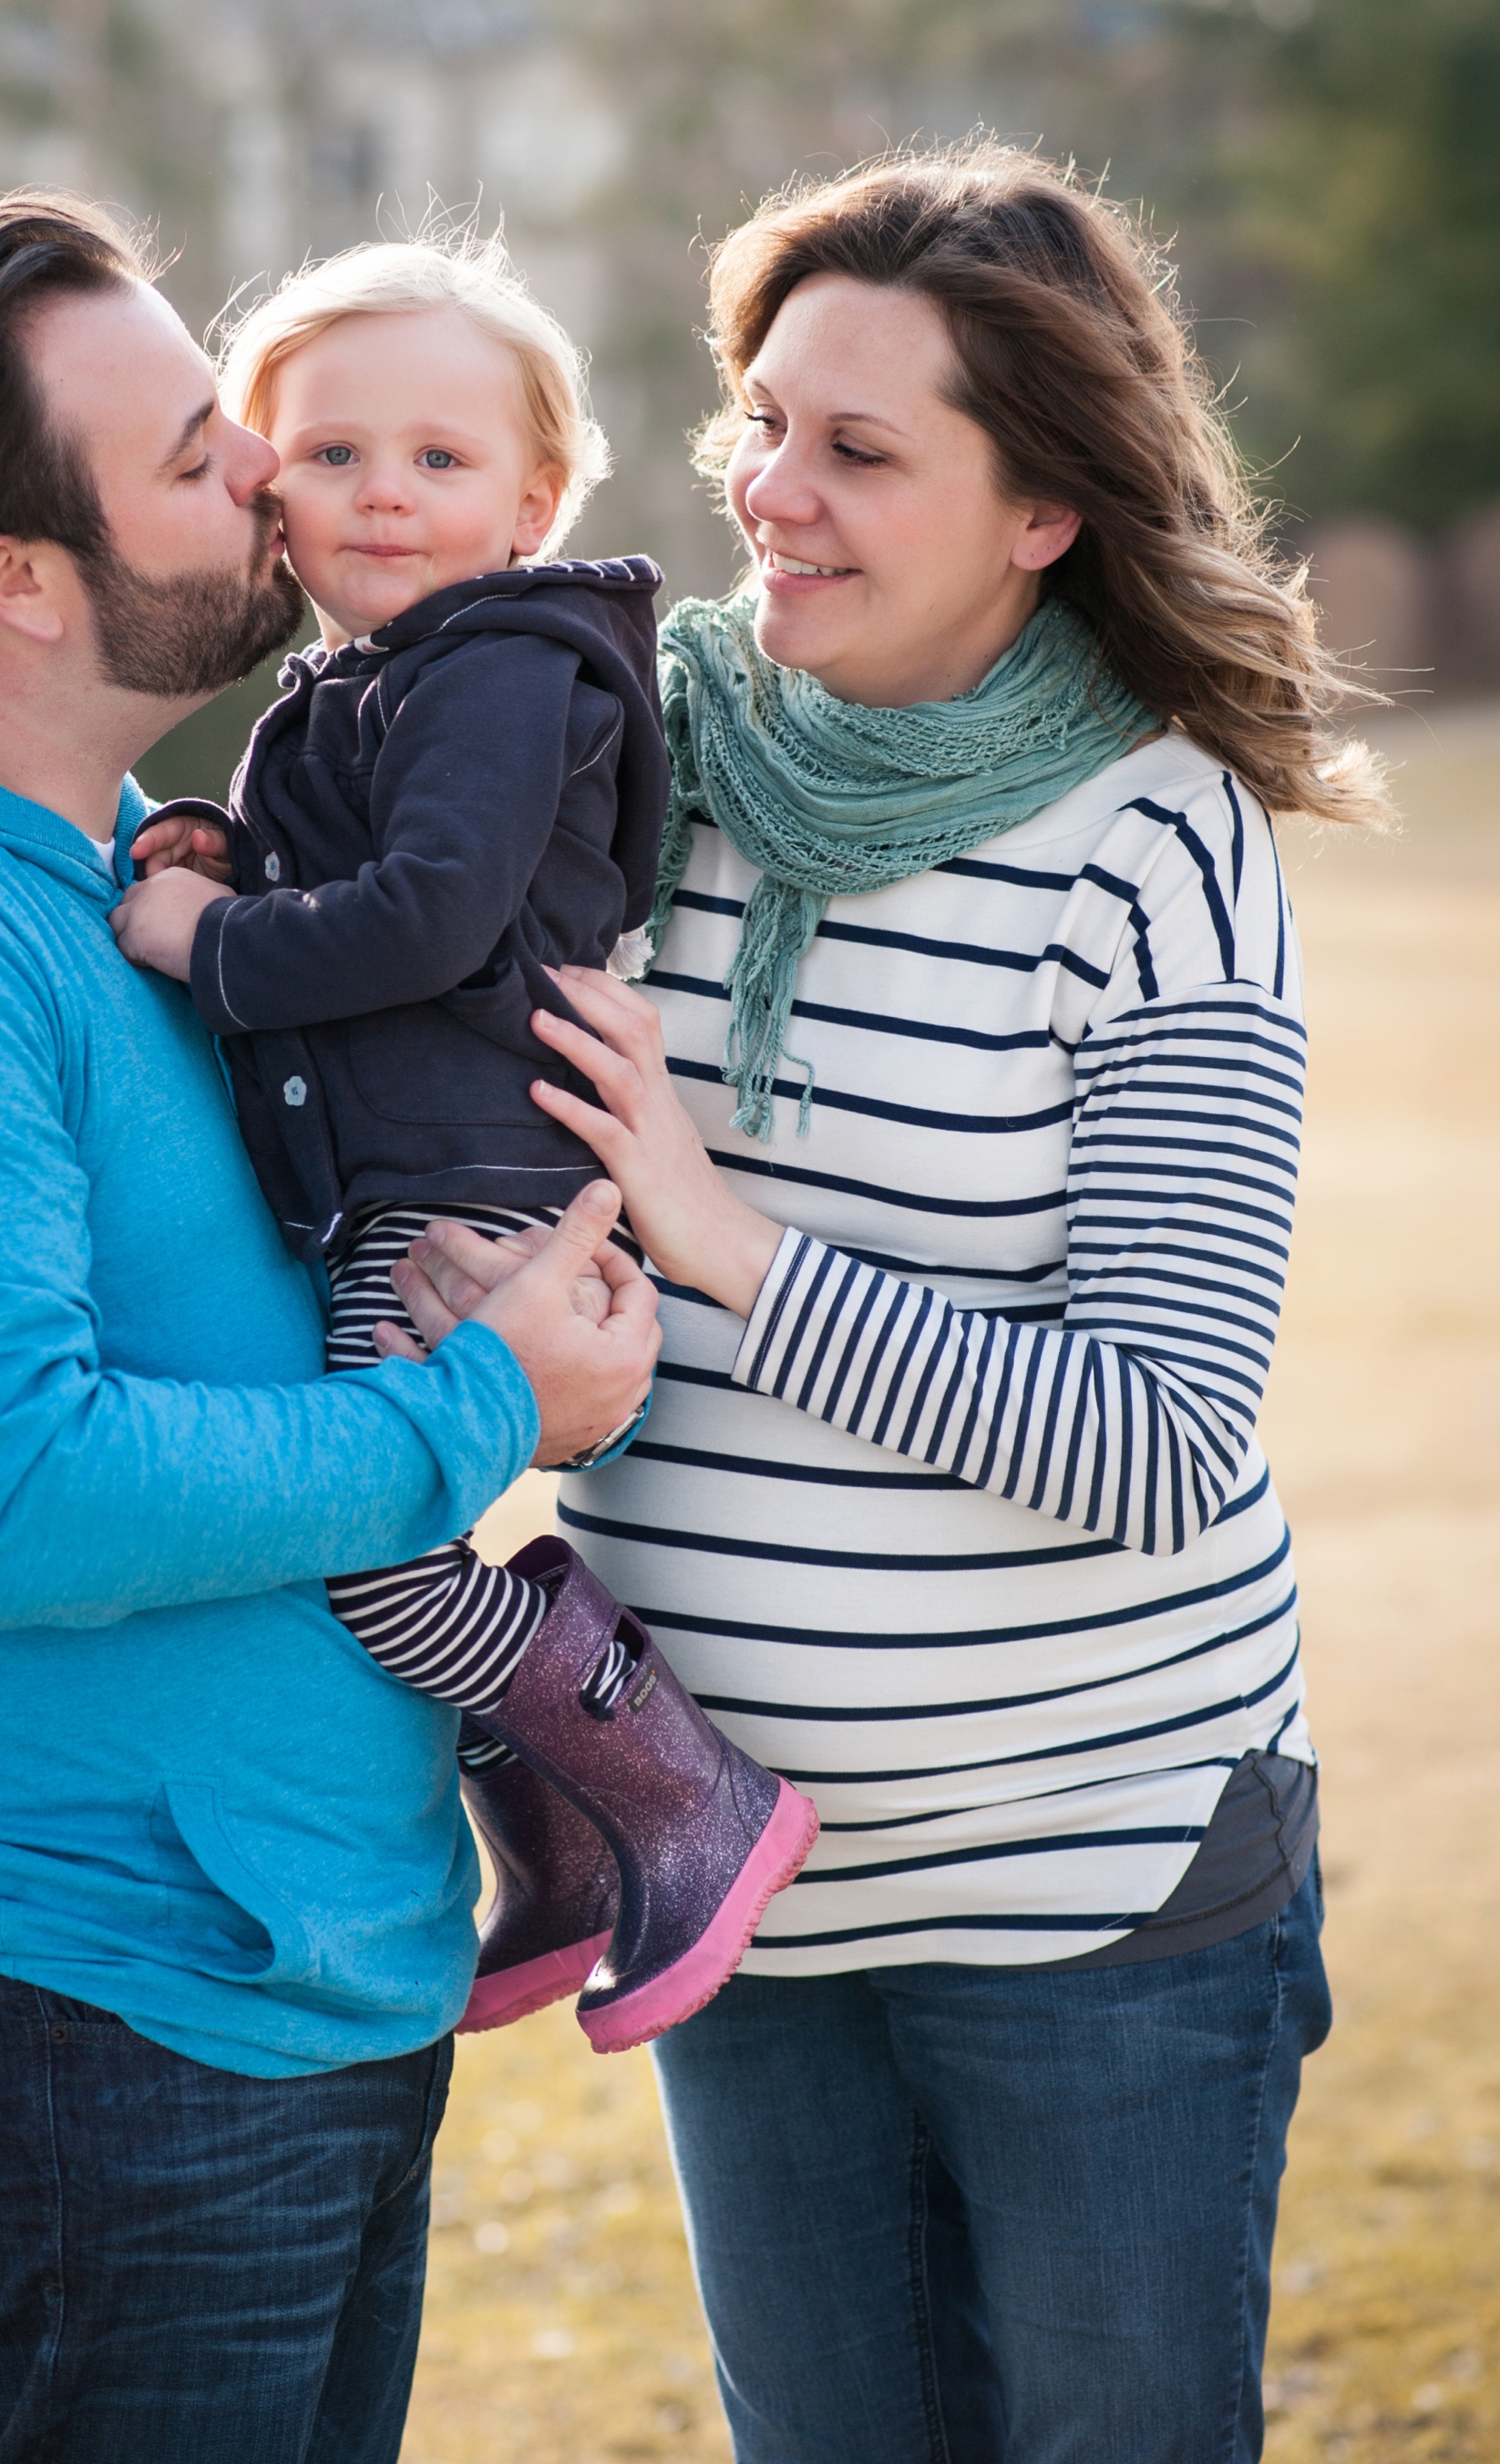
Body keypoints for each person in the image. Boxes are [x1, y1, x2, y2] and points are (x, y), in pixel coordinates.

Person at [0, 193, 661, 2464]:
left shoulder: (100, 863)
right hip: (90, 2028)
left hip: (293, 1977)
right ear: (19, 574)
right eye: (204, 448)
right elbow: (5, 1505)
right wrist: (492, 1400)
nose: (274, 480)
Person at [391, 145, 1386, 2463]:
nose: (771, 492)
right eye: (757, 418)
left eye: (859, 448)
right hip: (731, 1884)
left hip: (1099, 1888)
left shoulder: (1157, 848)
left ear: (1041, 506)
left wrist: (726, 1237)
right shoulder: (625, 739)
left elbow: (1156, 1437)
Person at [108, 234, 816, 2053]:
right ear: (263, 488)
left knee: (370, 1552)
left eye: (437, 459)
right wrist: (218, 847)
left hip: (478, 1179)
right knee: (386, 1530)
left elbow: (426, 918)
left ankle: (678, 1795)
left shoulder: (502, 671)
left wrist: (214, 942)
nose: (382, 495)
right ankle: (564, 1850)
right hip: (410, 1165)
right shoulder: (364, 684)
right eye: (330, 454)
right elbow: (360, 872)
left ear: (534, 493)